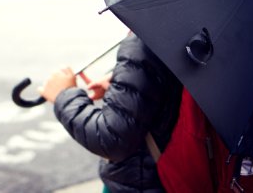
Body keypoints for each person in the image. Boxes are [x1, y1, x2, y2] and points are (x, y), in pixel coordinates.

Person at [38, 32, 183, 192]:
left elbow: (112, 137)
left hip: (143, 182)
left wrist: (64, 95)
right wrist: (124, 85)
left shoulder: (147, 38)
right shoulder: (185, 31)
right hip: (176, 173)